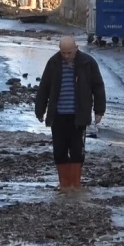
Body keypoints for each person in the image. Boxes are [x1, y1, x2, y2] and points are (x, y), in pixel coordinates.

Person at [35, 36, 106, 191]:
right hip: (58, 115)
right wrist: (40, 110)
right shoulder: (53, 63)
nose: (66, 56)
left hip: (78, 117)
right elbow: (44, 87)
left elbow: (98, 87)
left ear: (76, 48)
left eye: (69, 52)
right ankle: (64, 184)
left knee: (76, 151)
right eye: (63, 52)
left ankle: (75, 184)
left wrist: (99, 111)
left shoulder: (88, 63)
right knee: (59, 151)